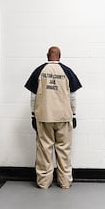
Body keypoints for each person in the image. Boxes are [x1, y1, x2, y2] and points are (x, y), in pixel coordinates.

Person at [24, 46, 82, 189]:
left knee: (44, 149)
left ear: (47, 55)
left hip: (44, 117)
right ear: (60, 56)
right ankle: (65, 182)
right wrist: (73, 114)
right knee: (64, 150)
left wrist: (33, 115)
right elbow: (73, 96)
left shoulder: (39, 71)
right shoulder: (67, 71)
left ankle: (44, 182)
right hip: (63, 117)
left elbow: (33, 96)